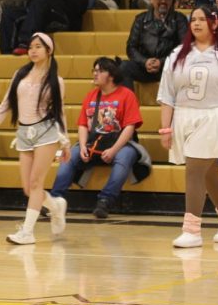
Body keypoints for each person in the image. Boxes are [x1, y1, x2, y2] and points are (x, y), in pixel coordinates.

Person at [158, 6, 218, 247]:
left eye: (202, 19)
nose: (196, 23)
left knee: (195, 170)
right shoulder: (176, 55)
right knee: (210, 174)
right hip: (184, 117)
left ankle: (192, 230)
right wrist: (165, 128)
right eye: (193, 19)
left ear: (214, 23)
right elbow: (166, 95)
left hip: (215, 117)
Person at [0, 32, 68, 245]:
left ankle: (27, 232)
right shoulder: (20, 74)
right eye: (30, 46)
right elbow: (5, 105)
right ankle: (55, 206)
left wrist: (66, 141)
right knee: (28, 187)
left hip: (46, 133)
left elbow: (60, 113)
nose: (32, 50)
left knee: (36, 182)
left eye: (38, 46)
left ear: (49, 50)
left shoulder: (56, 81)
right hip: (24, 133)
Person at [50, 57, 149, 220]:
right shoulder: (90, 96)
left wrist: (114, 149)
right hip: (93, 143)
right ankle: (55, 201)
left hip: (120, 144)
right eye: (94, 70)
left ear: (111, 75)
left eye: (100, 71)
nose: (95, 74)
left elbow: (130, 127)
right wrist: (82, 146)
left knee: (124, 157)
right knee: (67, 156)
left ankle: (105, 200)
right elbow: (82, 125)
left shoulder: (127, 95)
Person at [119, 0, 188, 90]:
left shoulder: (179, 19)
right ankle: (129, 104)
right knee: (124, 67)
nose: (163, 1)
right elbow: (131, 47)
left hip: (168, 67)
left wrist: (162, 62)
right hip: (144, 67)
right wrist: (145, 61)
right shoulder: (140, 19)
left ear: (172, 0)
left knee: (184, 68)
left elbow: (184, 47)